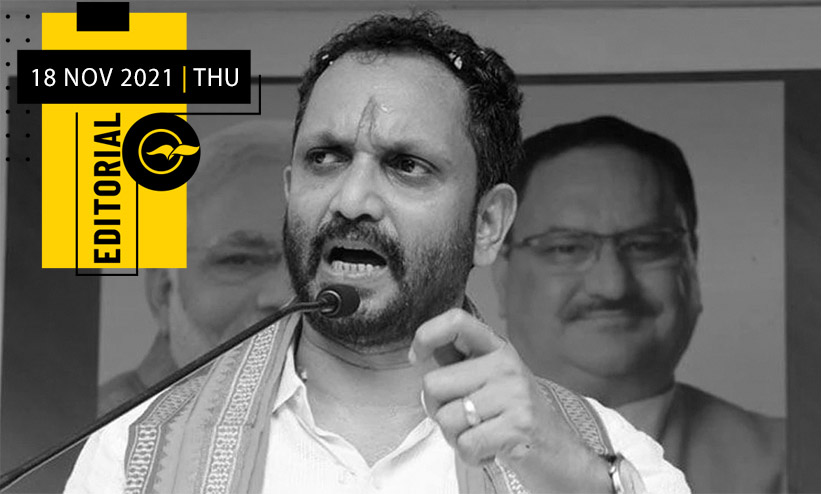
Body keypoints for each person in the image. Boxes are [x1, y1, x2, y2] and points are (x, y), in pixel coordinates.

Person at [66, 15, 689, 494]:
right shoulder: (134, 456)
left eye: (406, 165)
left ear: (488, 224)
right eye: (326, 158)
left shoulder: (605, 455)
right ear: (290, 192)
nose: (352, 200)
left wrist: (580, 481)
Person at [494, 115, 785, 493]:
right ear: (502, 274)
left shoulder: (791, 462)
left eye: (646, 245)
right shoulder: (432, 457)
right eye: (566, 248)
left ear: (692, 260)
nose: (612, 286)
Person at [97, 120, 294, 414]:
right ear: (163, 290)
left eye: (312, 264)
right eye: (241, 260)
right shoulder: (83, 435)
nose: (284, 295)